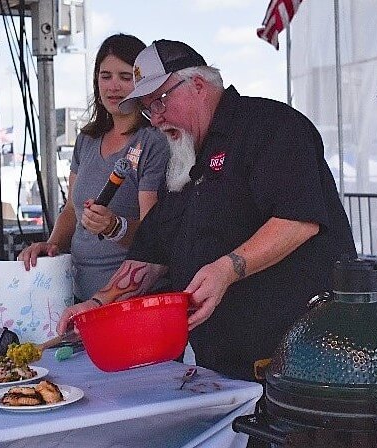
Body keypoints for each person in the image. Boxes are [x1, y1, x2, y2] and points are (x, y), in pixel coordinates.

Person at [57, 39, 357, 382]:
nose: (155, 119)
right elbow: (153, 253)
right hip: (223, 366)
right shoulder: (185, 162)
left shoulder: (270, 126)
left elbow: (298, 220)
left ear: (197, 85)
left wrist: (225, 270)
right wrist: (97, 305)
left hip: (304, 362)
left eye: (159, 102)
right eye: (146, 109)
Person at [18, 34, 169, 301]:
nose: (114, 86)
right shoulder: (86, 139)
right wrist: (50, 246)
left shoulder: (153, 140)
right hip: (76, 296)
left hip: (128, 301)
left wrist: (114, 226)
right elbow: (70, 211)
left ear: (143, 82)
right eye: (105, 75)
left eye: (125, 77)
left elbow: (154, 234)